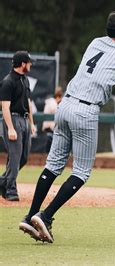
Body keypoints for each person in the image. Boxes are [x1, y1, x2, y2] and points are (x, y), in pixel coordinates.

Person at [18, 10, 115, 244]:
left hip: (66, 105)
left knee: (53, 165)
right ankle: (46, 216)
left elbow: (100, 73)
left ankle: (30, 215)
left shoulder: (95, 43)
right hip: (85, 110)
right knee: (80, 172)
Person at [0, 51, 36, 202]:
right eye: (28, 62)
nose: (30, 64)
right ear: (22, 64)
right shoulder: (8, 81)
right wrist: (11, 128)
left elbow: (28, 103)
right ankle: (10, 189)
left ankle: (3, 182)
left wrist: (31, 123)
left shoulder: (25, 80)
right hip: (13, 119)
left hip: (24, 120)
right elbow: (5, 107)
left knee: (24, 157)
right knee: (15, 157)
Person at [42, 86, 64, 152]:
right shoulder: (52, 102)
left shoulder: (53, 102)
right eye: (60, 97)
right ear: (57, 97)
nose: (60, 100)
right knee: (50, 143)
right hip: (49, 126)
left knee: (51, 142)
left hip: (50, 126)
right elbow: (56, 111)